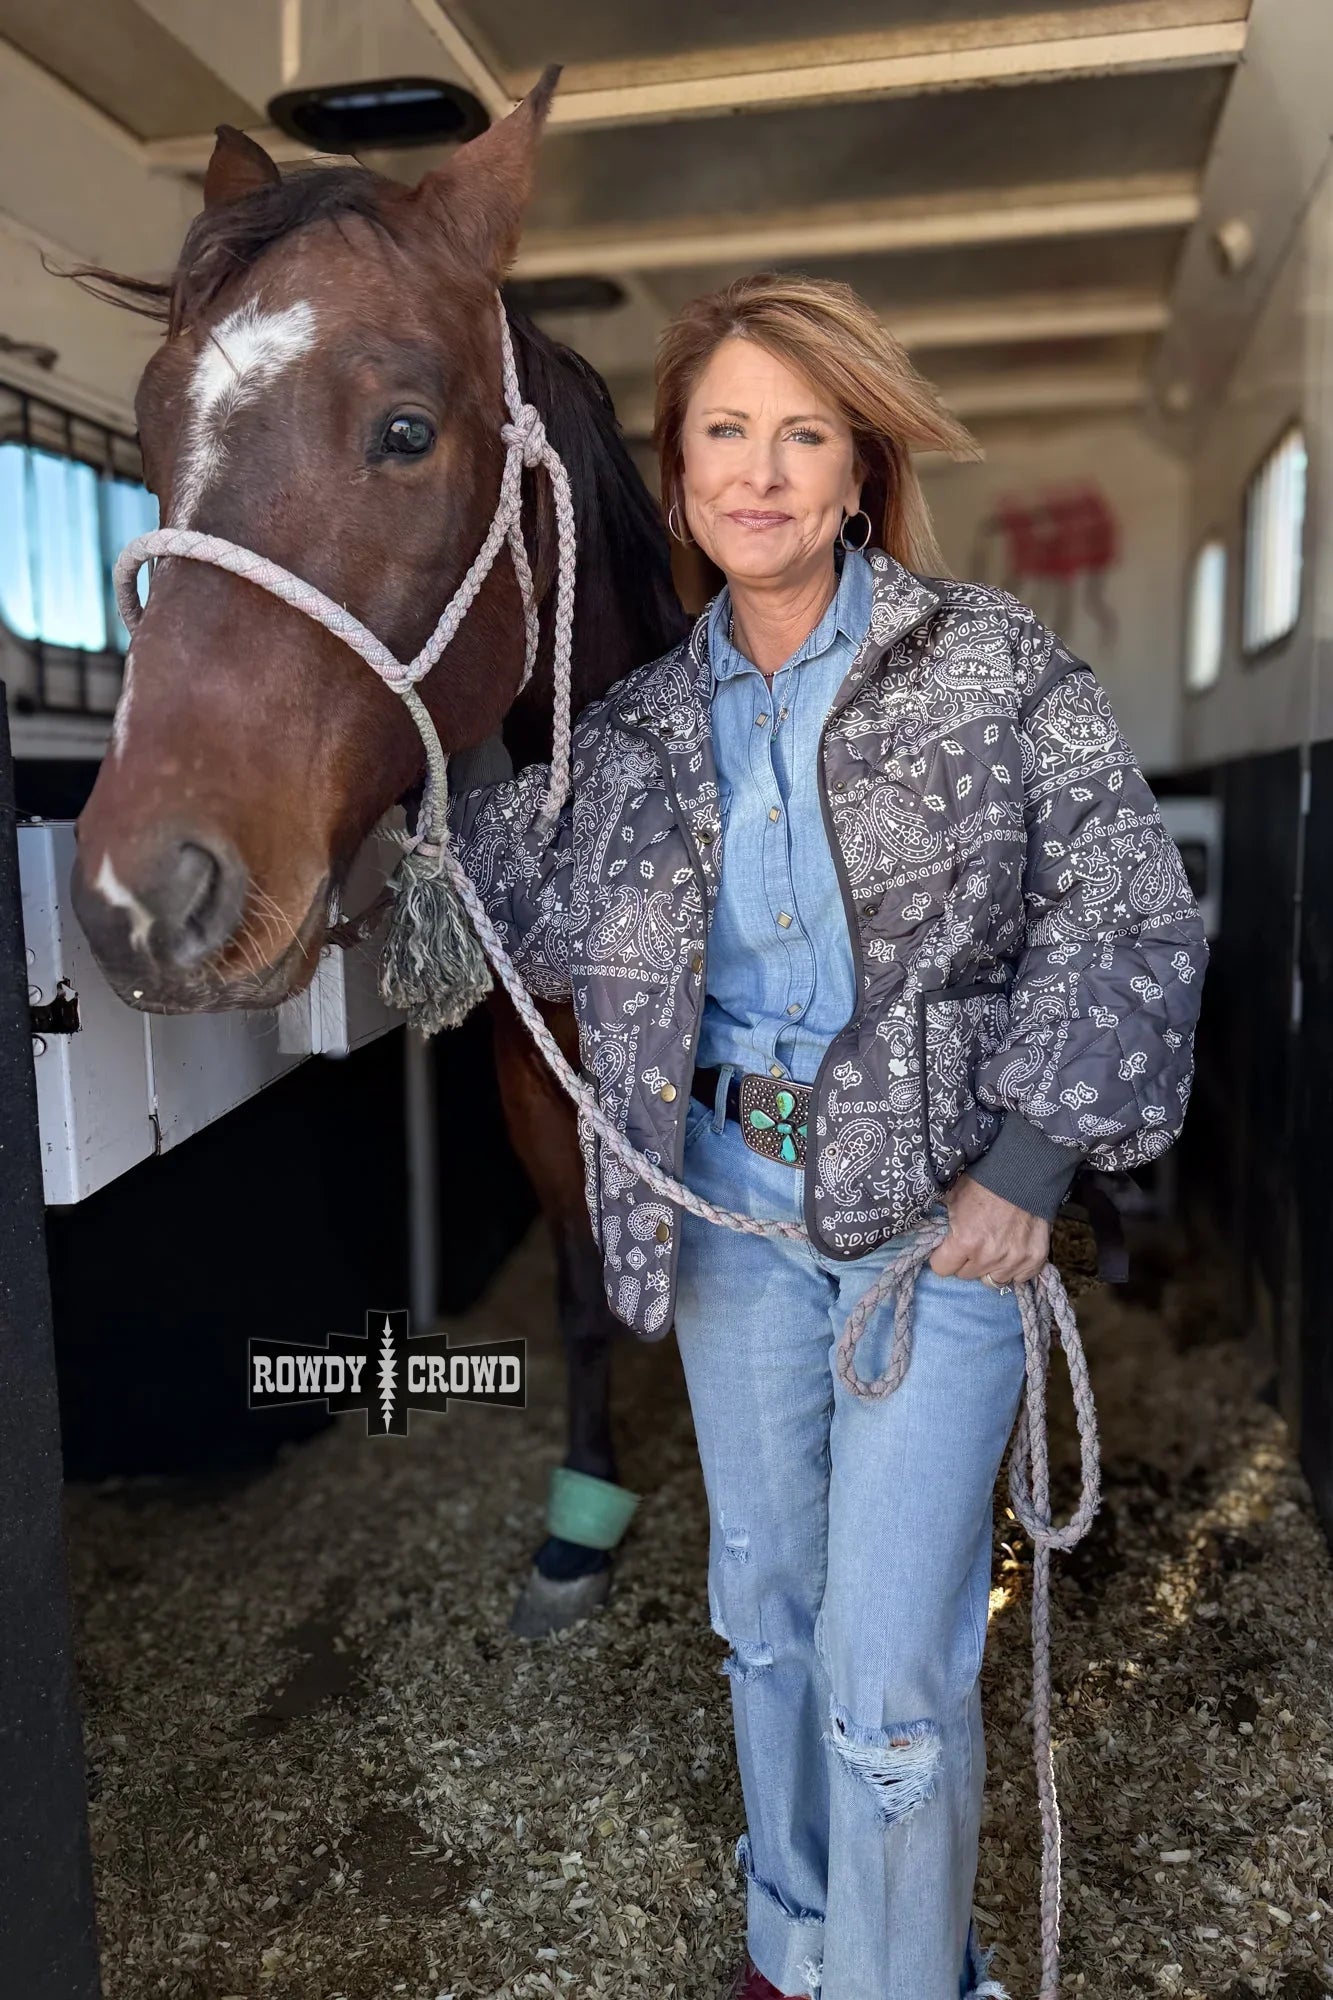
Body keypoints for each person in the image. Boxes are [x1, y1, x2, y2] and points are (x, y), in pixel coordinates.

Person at [447, 272, 1208, 2000]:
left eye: (803, 435)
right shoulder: (628, 739)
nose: (762, 472)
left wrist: (1024, 1172)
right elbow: (480, 924)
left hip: (931, 1238)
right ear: (680, 471)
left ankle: (901, 1984)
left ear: (859, 470)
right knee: (764, 1621)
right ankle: (793, 1952)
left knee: (884, 1667)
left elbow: (1128, 919)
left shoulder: (990, 669)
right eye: (726, 432)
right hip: (731, 1232)